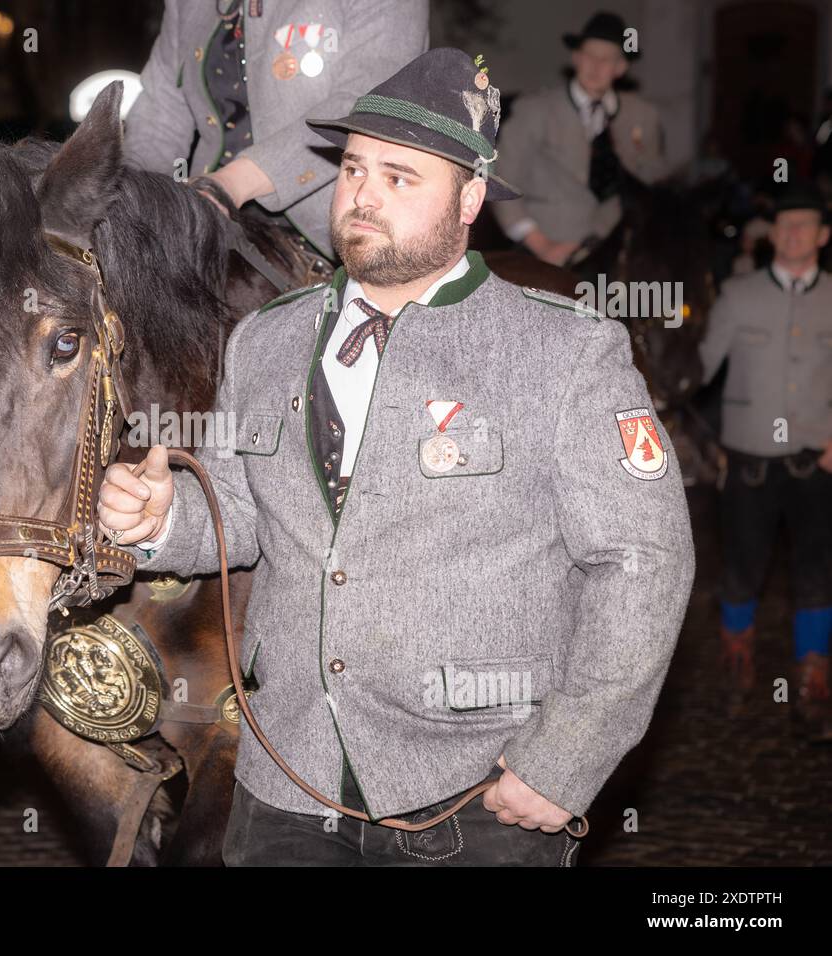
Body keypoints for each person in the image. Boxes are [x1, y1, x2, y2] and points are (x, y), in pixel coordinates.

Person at [98, 48, 695, 866]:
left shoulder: (564, 351)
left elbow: (642, 561)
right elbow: (236, 512)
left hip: (479, 796)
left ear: (470, 199)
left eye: (401, 176)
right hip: (286, 785)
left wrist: (565, 760)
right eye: (353, 168)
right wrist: (162, 519)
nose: (364, 195)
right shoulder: (266, 342)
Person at [123, 0, 429, 260]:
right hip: (205, 218)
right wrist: (131, 199)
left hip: (333, 234)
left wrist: (229, 184)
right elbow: (160, 108)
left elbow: (365, 103)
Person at [697, 182, 832, 740]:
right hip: (749, 458)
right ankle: (737, 671)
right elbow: (697, 369)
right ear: (771, 234)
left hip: (819, 459)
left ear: (823, 237)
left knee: (817, 574)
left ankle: (812, 685)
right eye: (784, 225)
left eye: (804, 226)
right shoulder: (736, 294)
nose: (793, 234)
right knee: (742, 571)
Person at [492, 11, 668, 266]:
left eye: (607, 59)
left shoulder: (642, 117)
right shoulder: (535, 111)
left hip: (617, 256)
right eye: (589, 55)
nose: (596, 66)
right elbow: (499, 179)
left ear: (621, 67)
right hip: (544, 255)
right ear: (576, 58)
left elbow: (653, 184)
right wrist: (541, 245)